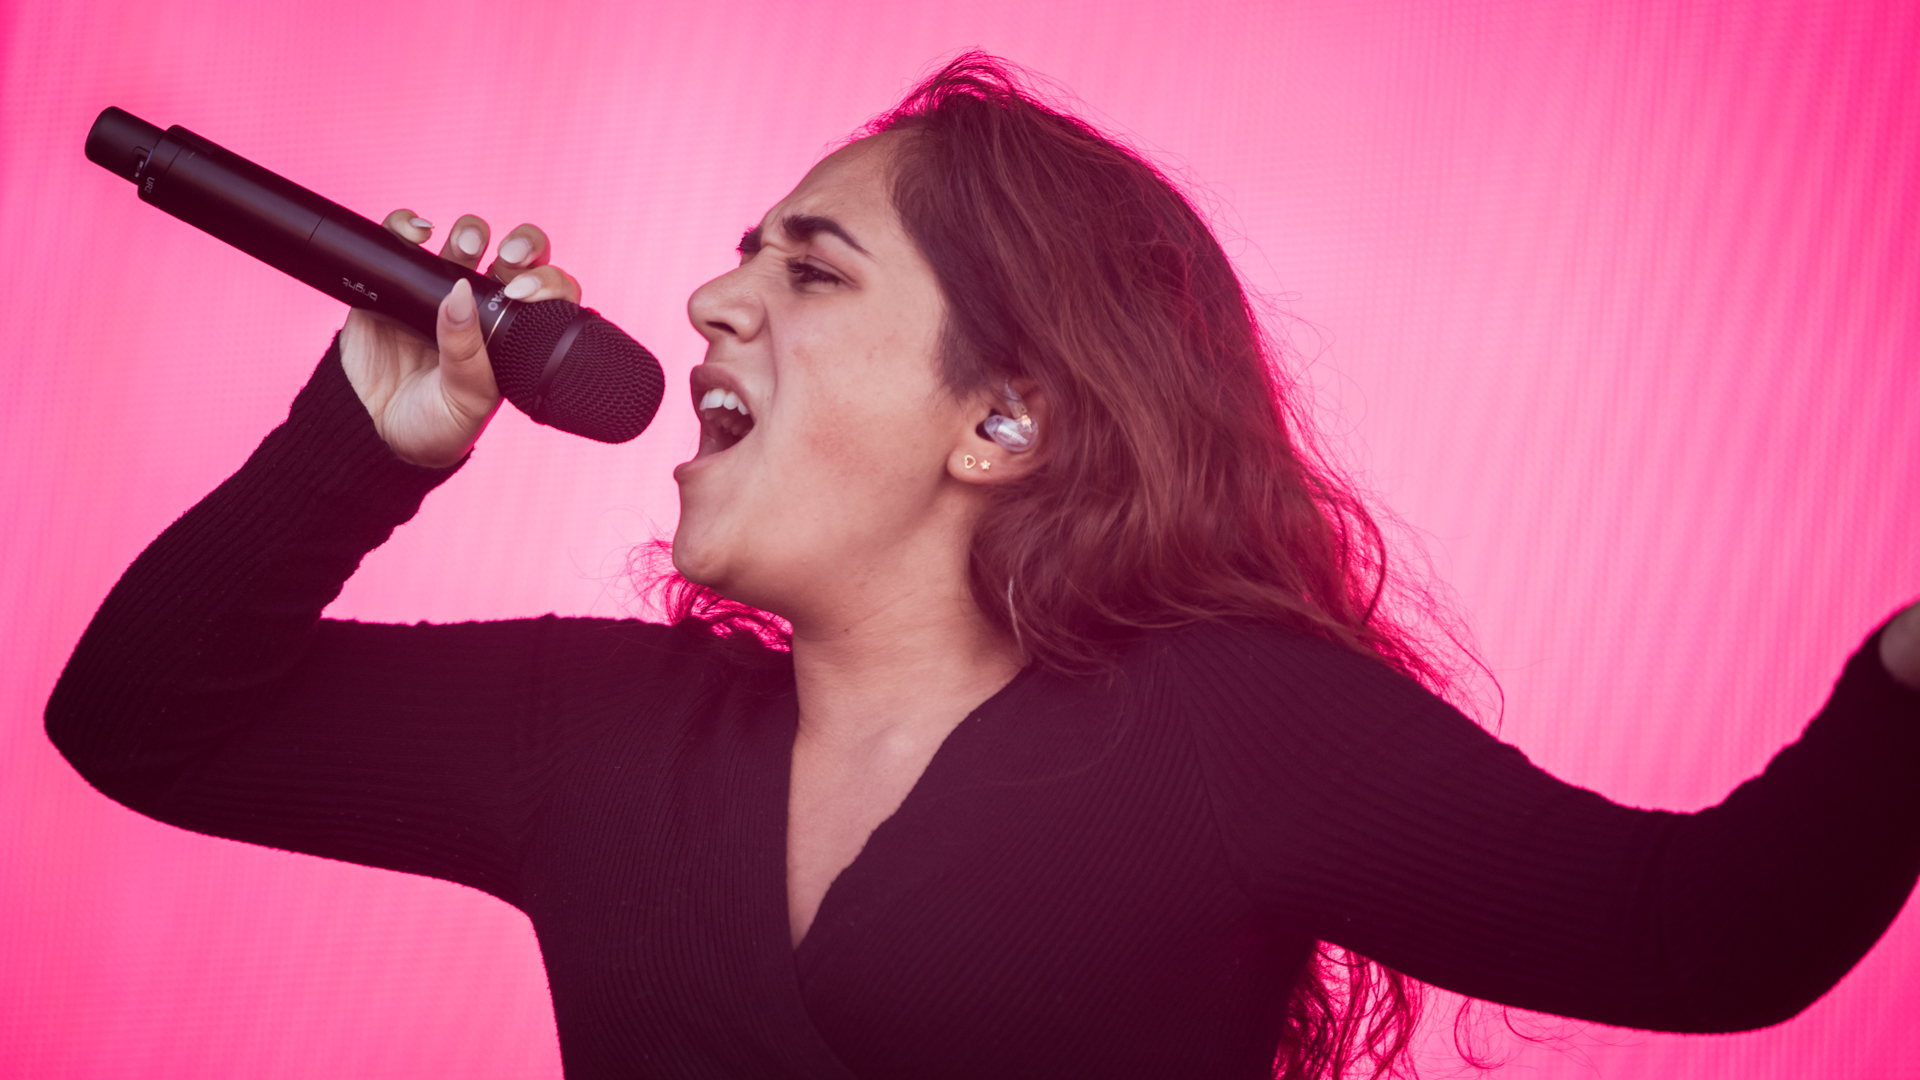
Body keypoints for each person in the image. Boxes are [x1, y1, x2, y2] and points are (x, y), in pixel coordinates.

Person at [46, 54, 1920, 1080]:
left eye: (812, 267)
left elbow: (1714, 938)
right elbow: (142, 724)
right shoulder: (599, 735)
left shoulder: (1226, 731)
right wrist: (354, 442)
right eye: (742, 249)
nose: (707, 298)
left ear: (1002, 423)